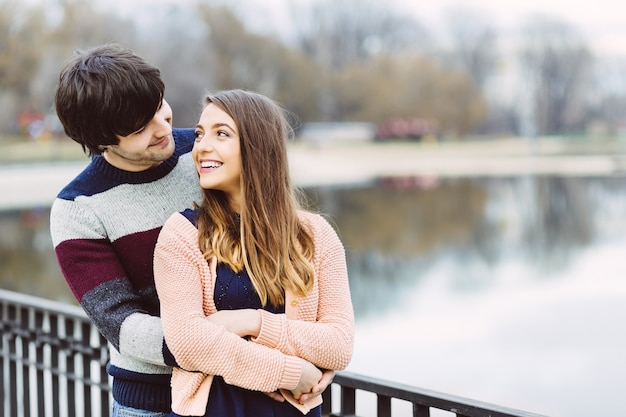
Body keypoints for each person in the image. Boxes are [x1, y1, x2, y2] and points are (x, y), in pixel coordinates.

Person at [49, 44, 334, 416]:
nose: (162, 128)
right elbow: (124, 325)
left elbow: (275, 231)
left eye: (159, 108)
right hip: (154, 400)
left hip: (256, 394)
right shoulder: (78, 208)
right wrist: (266, 365)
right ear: (103, 141)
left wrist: (307, 355)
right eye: (140, 128)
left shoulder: (207, 152)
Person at [153, 89, 355, 417]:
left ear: (258, 145)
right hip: (215, 409)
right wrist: (286, 372)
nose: (201, 145)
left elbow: (339, 343)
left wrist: (249, 321)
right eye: (201, 134)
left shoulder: (316, 236)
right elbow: (187, 342)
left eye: (221, 134)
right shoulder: (182, 235)